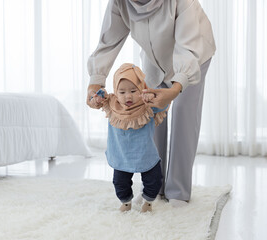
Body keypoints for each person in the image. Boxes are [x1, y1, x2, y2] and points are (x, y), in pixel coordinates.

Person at [86, 0, 215, 207]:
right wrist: (95, 82)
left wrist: (174, 89)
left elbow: (187, 48)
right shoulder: (119, 3)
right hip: (154, 58)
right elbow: (108, 42)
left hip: (192, 55)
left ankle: (178, 192)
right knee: (148, 116)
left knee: (183, 113)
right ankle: (154, 187)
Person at [93, 63, 167, 212]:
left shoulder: (147, 105)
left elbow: (163, 103)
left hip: (145, 154)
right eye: (122, 92)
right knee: (120, 183)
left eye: (133, 91)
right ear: (115, 91)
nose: (128, 96)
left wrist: (152, 96)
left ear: (141, 89)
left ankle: (148, 202)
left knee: (154, 179)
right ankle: (126, 203)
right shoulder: (112, 104)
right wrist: (96, 98)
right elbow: (97, 101)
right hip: (121, 155)